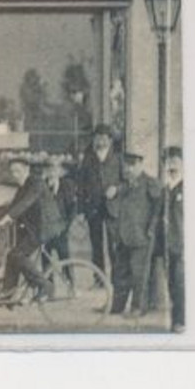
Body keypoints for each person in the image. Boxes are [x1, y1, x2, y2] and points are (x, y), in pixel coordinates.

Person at [0, 156, 63, 304]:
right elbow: (12, 207)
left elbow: (24, 204)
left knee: (18, 255)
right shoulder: (23, 186)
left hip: (45, 227)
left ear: (27, 170)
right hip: (35, 228)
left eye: (18, 171)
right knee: (12, 255)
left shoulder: (35, 182)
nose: (15, 174)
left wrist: (5, 220)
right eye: (12, 171)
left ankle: (45, 286)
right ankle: (8, 292)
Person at [105, 149, 161, 317]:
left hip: (141, 237)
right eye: (126, 165)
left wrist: (151, 228)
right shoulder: (125, 185)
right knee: (120, 273)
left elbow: (158, 207)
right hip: (123, 237)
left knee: (139, 274)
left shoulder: (151, 183)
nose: (128, 169)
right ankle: (117, 307)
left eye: (132, 165)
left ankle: (138, 308)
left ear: (140, 165)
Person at [78, 124, 123, 277]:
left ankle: (116, 277)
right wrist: (82, 209)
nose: (100, 141)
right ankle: (99, 276)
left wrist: (116, 189)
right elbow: (81, 184)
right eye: (97, 138)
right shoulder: (88, 158)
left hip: (113, 207)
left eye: (104, 138)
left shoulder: (118, 158)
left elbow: (127, 182)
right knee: (96, 243)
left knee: (114, 244)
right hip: (94, 207)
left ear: (110, 140)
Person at [155, 147, 184, 333]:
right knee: (173, 284)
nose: (171, 164)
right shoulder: (166, 189)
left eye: (175, 160)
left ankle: (181, 321)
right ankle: (177, 320)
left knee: (181, 283)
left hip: (183, 245)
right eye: (168, 161)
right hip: (168, 245)